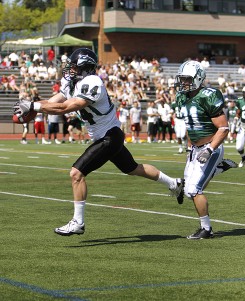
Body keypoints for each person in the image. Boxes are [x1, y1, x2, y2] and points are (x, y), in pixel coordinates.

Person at [13, 48, 185, 236]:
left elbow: (66, 107)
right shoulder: (72, 82)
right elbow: (55, 100)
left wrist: (34, 106)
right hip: (107, 136)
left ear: (85, 67)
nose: (69, 69)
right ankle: (174, 183)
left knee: (76, 173)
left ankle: (78, 222)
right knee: (133, 168)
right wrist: (34, 107)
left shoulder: (93, 82)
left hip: (109, 136)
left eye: (73, 66)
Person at [174, 60, 238, 239]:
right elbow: (190, 127)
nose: (183, 83)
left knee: (194, 190)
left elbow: (223, 128)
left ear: (197, 78)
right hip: (195, 149)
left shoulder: (208, 95)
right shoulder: (182, 97)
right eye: (181, 79)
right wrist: (189, 150)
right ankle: (218, 169)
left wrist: (209, 150)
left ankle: (207, 229)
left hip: (211, 148)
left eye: (186, 79)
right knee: (188, 189)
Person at [233, 85, 245, 168]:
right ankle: (244, 157)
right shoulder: (240, 101)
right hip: (242, 125)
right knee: (239, 147)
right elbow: (238, 112)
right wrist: (236, 118)